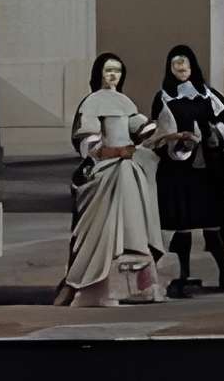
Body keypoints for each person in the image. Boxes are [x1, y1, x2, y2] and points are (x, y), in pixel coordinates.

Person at [53, 52, 165, 308]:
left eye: (117, 70)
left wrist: (166, 134)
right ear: (99, 74)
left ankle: (136, 282)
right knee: (105, 218)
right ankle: (94, 286)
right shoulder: (92, 103)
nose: (113, 75)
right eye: (108, 70)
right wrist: (117, 152)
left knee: (135, 196)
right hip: (104, 170)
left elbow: (143, 129)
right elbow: (88, 144)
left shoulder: (124, 101)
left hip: (128, 166)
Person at [150, 45, 224, 296]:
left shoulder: (208, 95)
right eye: (176, 65)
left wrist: (214, 133)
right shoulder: (164, 97)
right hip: (180, 171)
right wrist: (179, 142)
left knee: (213, 222)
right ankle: (184, 274)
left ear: (193, 66)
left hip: (208, 169)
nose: (181, 69)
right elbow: (160, 133)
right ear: (170, 68)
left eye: (185, 64)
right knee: (183, 223)